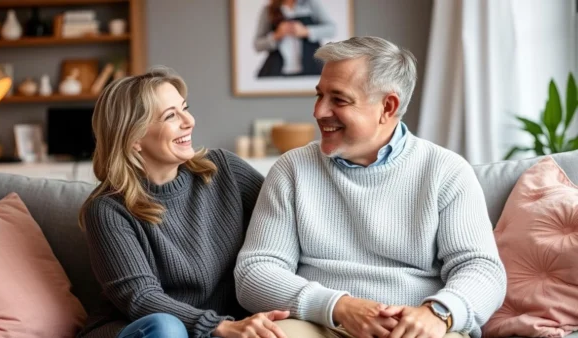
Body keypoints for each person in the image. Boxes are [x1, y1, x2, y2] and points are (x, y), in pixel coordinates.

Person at [234, 36, 507, 338]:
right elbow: (254, 272)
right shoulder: (292, 169)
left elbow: (482, 269)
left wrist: (438, 313)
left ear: (387, 107)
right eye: (319, 95)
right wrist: (339, 306)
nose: (319, 111)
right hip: (320, 322)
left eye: (338, 99)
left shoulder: (446, 171)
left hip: (417, 326)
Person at [76, 68, 289, 338]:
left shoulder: (223, 169)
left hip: (215, 328)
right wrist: (219, 326)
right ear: (134, 139)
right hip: (141, 329)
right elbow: (140, 298)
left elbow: (285, 224)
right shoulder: (107, 210)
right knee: (168, 328)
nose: (189, 121)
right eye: (170, 116)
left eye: (185, 108)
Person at [254, 0, 336, 77]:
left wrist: (306, 31)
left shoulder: (311, 4)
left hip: (311, 69)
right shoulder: (269, 9)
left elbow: (332, 29)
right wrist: (276, 35)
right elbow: (257, 44)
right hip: (276, 71)